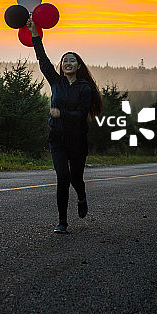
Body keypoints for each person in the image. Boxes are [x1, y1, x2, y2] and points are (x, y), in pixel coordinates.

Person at [27, 17, 103, 234]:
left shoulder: (84, 88)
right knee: (63, 178)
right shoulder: (56, 81)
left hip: (77, 140)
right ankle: (62, 221)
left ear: (78, 66)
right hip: (57, 139)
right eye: (64, 61)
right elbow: (42, 60)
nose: (67, 63)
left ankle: (81, 196)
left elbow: (80, 115)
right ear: (61, 66)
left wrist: (61, 114)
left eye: (72, 60)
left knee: (76, 178)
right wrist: (35, 34)